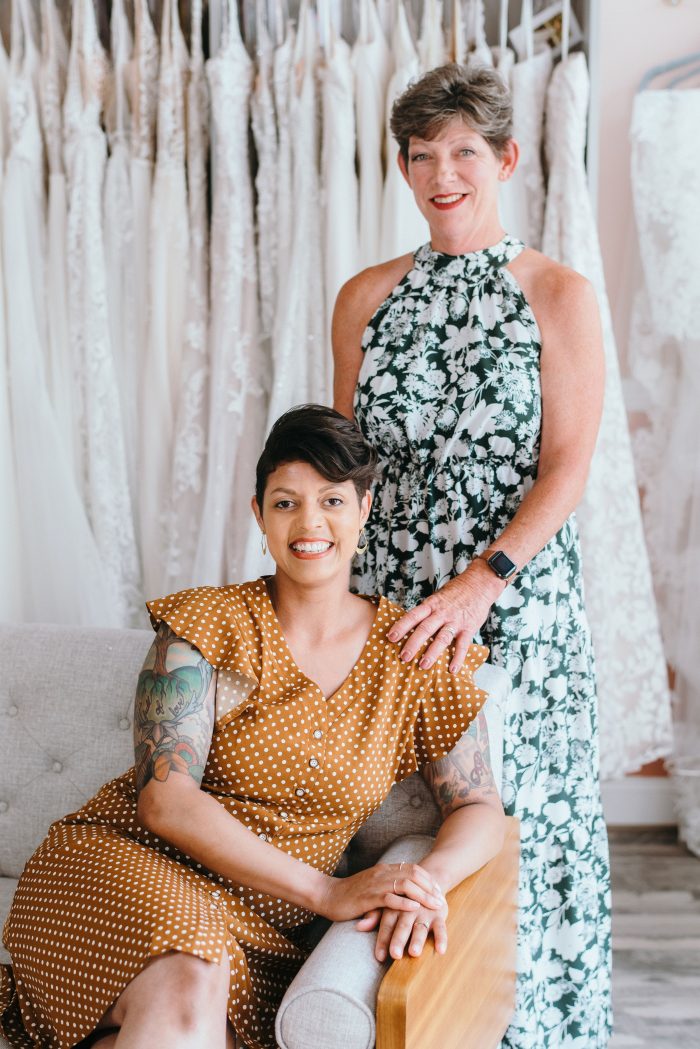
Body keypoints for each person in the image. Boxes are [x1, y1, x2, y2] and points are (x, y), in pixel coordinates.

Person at [0, 405, 504, 1049]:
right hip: (121, 868)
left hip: (261, 923)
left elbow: (481, 807)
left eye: (331, 501)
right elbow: (165, 801)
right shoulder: (204, 626)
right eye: (286, 502)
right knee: (189, 981)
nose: (310, 523)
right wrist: (329, 891)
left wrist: (421, 883)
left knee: (189, 1011)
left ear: (365, 509)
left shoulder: (414, 653)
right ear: (258, 513)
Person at [332, 63, 611, 1048]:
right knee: (410, 833)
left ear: (505, 157)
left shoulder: (558, 293)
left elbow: (567, 470)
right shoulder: (365, 298)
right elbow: (347, 475)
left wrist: (480, 583)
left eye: (461, 150)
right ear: (402, 169)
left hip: (514, 608)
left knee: (524, 826)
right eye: (420, 154)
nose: (440, 171)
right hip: (395, 610)